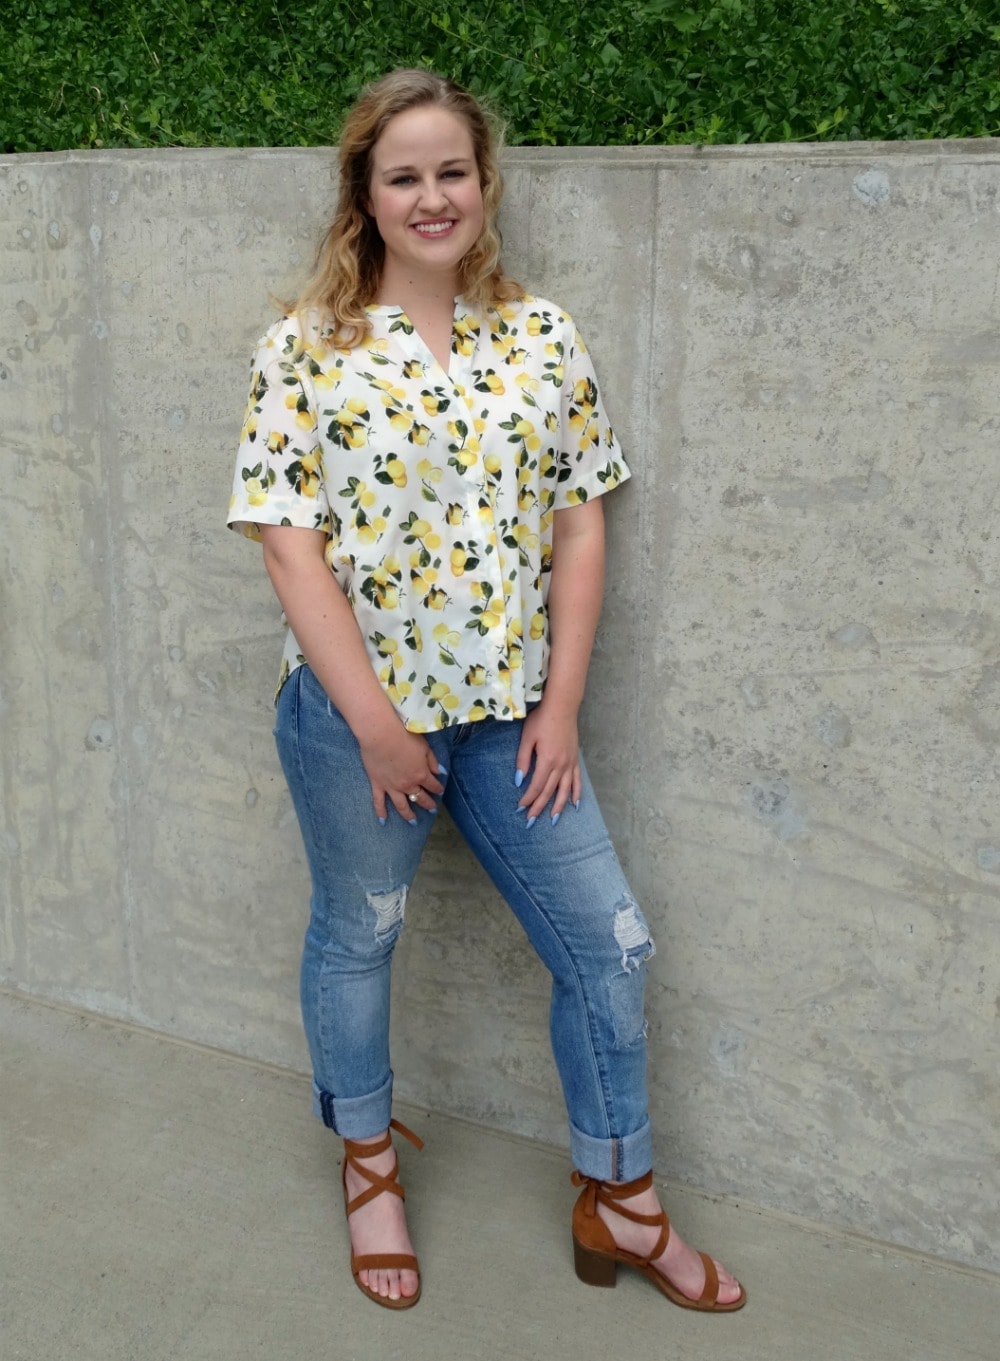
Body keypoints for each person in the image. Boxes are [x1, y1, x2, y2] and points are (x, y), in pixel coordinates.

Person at [228, 68, 744, 1314]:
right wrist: (376, 725)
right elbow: (289, 545)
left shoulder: (540, 332)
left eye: (451, 169)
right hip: (360, 726)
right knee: (360, 938)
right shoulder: (306, 347)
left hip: (515, 719)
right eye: (402, 174)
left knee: (611, 947)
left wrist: (558, 708)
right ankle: (367, 1162)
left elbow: (578, 524)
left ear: (483, 181)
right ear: (364, 192)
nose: (431, 195)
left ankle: (619, 1192)